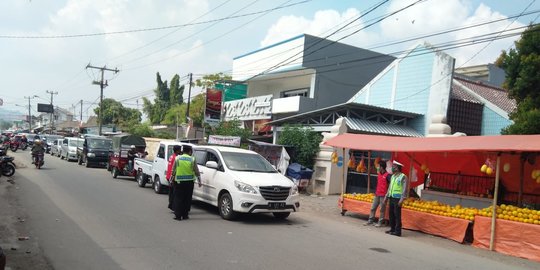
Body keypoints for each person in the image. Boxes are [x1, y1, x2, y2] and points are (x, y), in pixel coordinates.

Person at [171, 145, 201, 220]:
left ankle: (178, 216)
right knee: (187, 198)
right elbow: (196, 171)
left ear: (183, 151)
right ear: (190, 151)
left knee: (178, 198)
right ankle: (185, 215)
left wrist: (171, 178)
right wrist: (199, 181)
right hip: (189, 182)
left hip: (179, 182)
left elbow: (173, 170)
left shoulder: (177, 158)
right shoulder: (192, 159)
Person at [384, 160, 408, 237]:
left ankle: (398, 231)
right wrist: (386, 197)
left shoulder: (403, 176)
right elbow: (390, 187)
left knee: (397, 215)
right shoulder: (393, 176)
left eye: (394, 166)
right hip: (391, 197)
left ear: (397, 168)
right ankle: (392, 229)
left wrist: (402, 199)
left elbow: (404, 189)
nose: (392, 168)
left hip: (398, 198)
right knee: (391, 214)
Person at [365, 160, 391, 227]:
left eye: (378, 166)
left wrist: (387, 195)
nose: (377, 167)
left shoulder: (388, 176)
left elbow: (391, 185)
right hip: (377, 194)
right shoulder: (379, 174)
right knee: (373, 208)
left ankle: (380, 222)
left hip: (383, 195)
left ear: (382, 167)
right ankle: (370, 221)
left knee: (382, 209)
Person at [166, 145, 182, 211]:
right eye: (180, 150)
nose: (181, 151)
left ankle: (171, 205)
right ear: (178, 150)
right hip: (172, 177)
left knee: (171, 193)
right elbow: (175, 169)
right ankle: (173, 206)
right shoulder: (176, 157)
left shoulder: (171, 156)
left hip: (169, 176)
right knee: (174, 193)